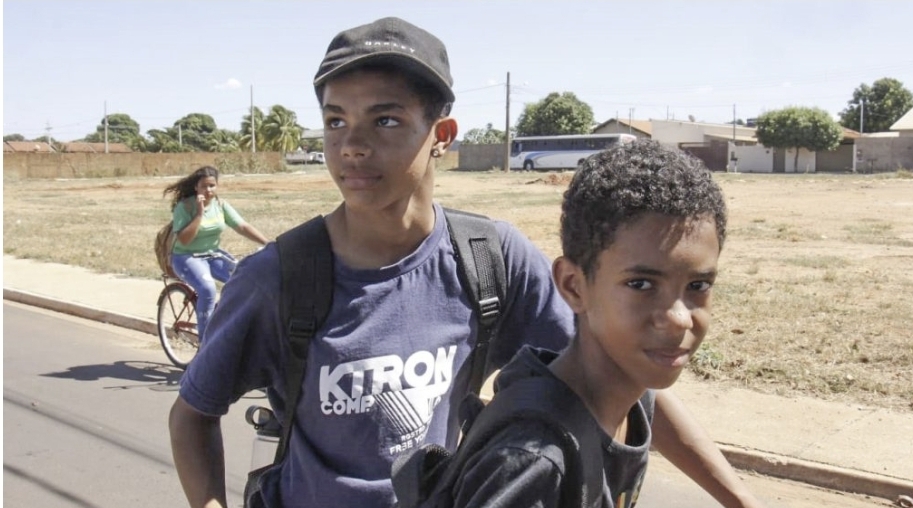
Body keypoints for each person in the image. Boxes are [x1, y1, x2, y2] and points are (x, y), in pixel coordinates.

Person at [169, 17, 763, 508]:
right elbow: (193, 413)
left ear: (443, 133)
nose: (352, 144)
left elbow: (626, 369)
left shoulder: (490, 259)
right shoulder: (279, 277)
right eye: (335, 120)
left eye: (386, 120)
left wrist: (738, 499)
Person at [444, 140, 764, 508]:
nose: (678, 318)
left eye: (698, 286)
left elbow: (657, 403)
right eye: (641, 285)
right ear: (573, 286)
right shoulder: (535, 463)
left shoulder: (628, 389)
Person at [163, 165, 269, 340]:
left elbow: (242, 226)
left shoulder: (220, 205)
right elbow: (184, 240)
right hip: (186, 257)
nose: (208, 190)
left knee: (245, 280)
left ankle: (223, 319)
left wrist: (268, 243)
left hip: (212, 254)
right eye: (204, 186)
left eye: (212, 185)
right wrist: (199, 213)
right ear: (196, 187)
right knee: (208, 290)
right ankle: (205, 345)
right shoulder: (185, 207)